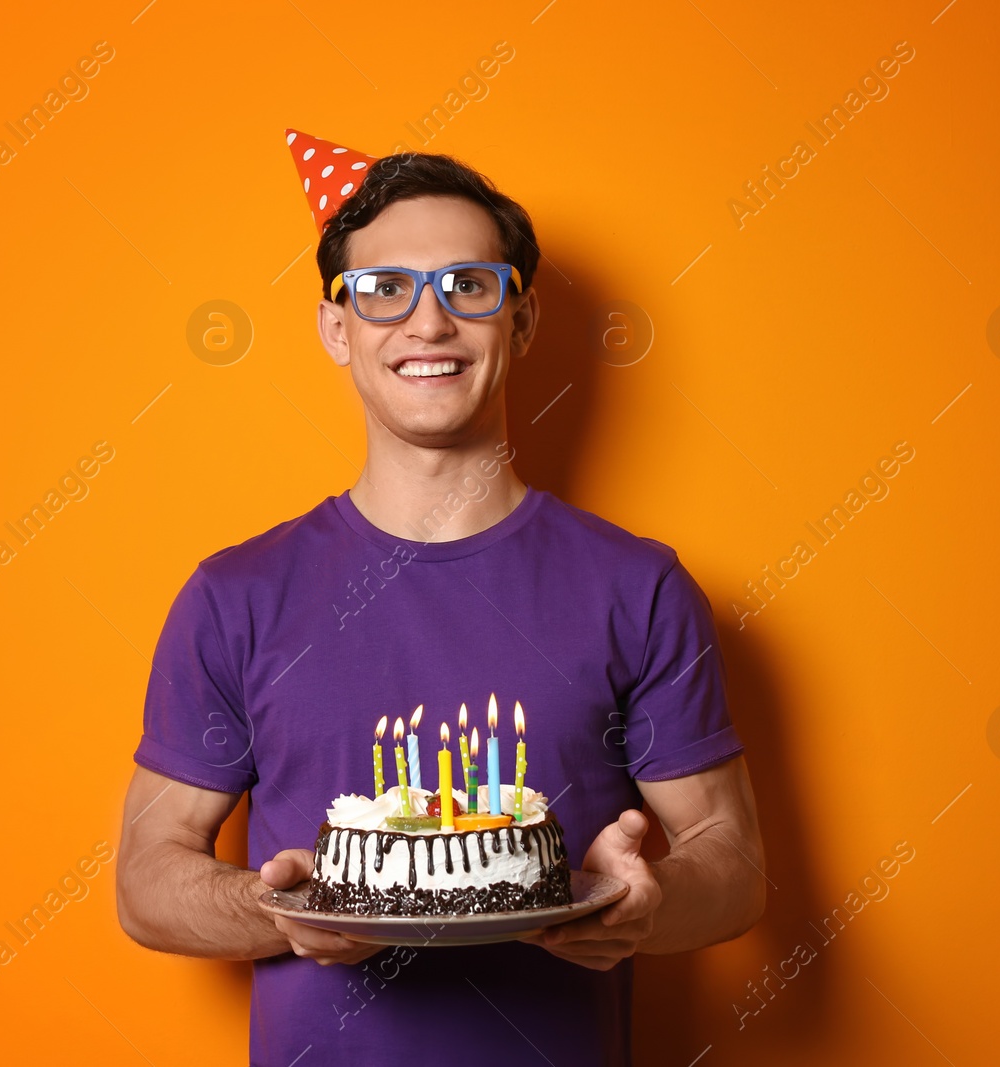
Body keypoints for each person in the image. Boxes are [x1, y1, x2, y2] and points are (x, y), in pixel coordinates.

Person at [115, 140, 767, 1066]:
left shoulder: (639, 586)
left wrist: (645, 907)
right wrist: (281, 913)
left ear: (524, 318)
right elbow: (145, 880)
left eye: (469, 284)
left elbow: (733, 865)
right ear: (337, 330)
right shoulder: (236, 597)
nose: (428, 322)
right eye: (384, 288)